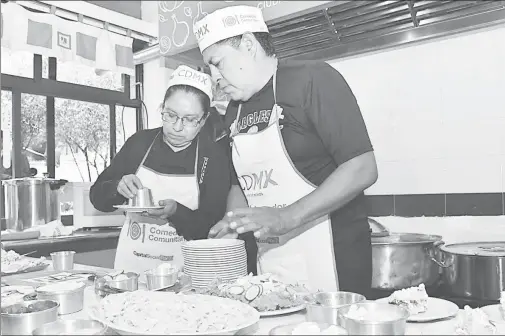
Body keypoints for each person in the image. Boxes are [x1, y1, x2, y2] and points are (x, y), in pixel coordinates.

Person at [193, 6, 378, 296]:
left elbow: (362, 167)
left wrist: (286, 217)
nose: (214, 78)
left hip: (333, 258)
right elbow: (240, 182)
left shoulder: (312, 79)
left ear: (249, 45)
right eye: (208, 69)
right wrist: (234, 223)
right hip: (272, 260)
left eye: (217, 63)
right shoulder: (233, 110)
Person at [89, 65, 257, 275]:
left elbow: (209, 227)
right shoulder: (139, 144)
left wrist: (176, 212)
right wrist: (117, 187)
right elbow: (97, 198)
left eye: (189, 119)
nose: (177, 127)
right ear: (162, 108)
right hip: (132, 267)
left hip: (183, 271)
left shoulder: (213, 157)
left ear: (203, 120)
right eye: (170, 115)